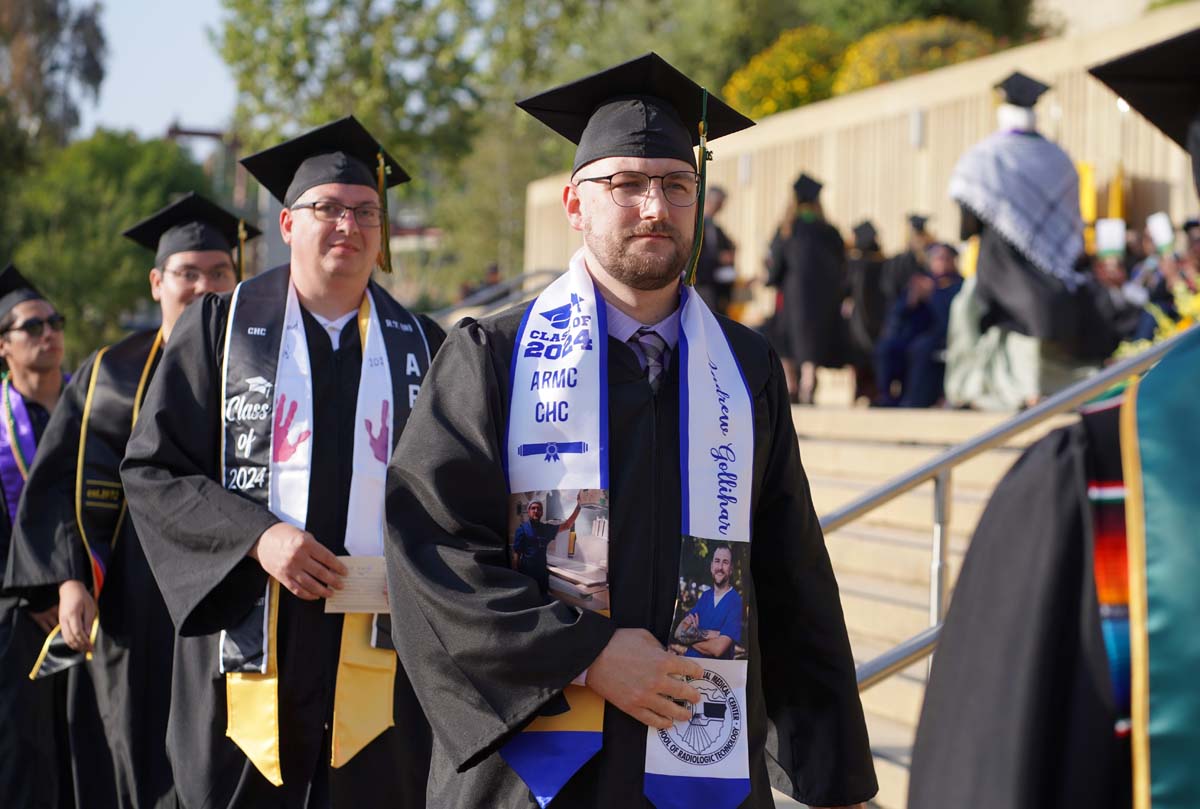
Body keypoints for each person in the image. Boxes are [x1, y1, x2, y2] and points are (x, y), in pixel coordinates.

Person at [384, 52, 875, 809]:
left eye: (677, 186)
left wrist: (834, 774)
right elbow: (434, 549)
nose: (655, 206)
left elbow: (788, 572)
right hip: (535, 774)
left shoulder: (742, 369)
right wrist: (586, 654)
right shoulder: (494, 356)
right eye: (627, 185)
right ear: (575, 206)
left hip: (700, 755)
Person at [909, 31, 1200, 807]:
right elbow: (1058, 240)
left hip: (1009, 280)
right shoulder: (1055, 163)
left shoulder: (1097, 474)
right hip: (1045, 288)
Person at [120, 116, 445, 809]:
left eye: (365, 212)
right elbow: (153, 471)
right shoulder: (219, 330)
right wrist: (257, 536)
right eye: (327, 208)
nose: (347, 226)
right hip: (247, 650)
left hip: (381, 661)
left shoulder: (424, 347)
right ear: (289, 223)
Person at [4, 194, 259, 809]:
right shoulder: (108, 374)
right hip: (128, 602)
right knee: (129, 755)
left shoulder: (264, 364)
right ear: (157, 282)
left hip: (235, 592)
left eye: (218, 273)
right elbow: (61, 480)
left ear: (237, 279)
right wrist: (66, 580)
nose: (203, 287)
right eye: (187, 274)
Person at [944, 71, 1119, 411]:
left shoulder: (985, 158)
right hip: (1054, 270)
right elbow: (1069, 224)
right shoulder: (1059, 158)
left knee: (971, 309)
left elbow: (967, 224)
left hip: (1002, 266)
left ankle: (981, 388)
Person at [0, 264, 73, 808]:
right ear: (4, 345)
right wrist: (33, 592)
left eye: (55, 321)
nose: (48, 332)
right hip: (17, 616)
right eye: (32, 326)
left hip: (95, 607)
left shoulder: (96, 405)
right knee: (25, 751)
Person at [766, 172, 846, 404]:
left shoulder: (788, 229)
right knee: (813, 337)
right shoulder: (829, 230)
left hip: (794, 294)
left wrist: (771, 278)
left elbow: (776, 264)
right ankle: (808, 382)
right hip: (823, 296)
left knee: (786, 336)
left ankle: (790, 384)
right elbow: (842, 264)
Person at [875, 243, 963, 407]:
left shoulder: (958, 285)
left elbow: (950, 318)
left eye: (945, 258)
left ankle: (914, 399)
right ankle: (887, 397)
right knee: (886, 348)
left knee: (920, 348)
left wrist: (932, 295)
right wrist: (911, 301)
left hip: (942, 336)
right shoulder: (921, 281)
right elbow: (898, 315)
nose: (940, 262)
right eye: (937, 258)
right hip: (914, 334)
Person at [670, 545, 743, 660]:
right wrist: (714, 634)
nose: (720, 567)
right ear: (711, 566)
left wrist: (691, 636)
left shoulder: (735, 602)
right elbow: (678, 632)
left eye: (725, 562)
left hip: (713, 673)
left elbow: (718, 649)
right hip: (690, 663)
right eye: (717, 561)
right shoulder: (705, 596)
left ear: (731, 569)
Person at [843, 220, 886, 403]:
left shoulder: (854, 264)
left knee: (860, 355)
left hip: (859, 319)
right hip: (878, 317)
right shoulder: (883, 263)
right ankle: (874, 390)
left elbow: (845, 289)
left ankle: (861, 390)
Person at [511, 496, 581, 596]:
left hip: (542, 573)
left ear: (542, 513)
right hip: (526, 573)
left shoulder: (546, 529)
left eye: (539, 509)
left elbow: (567, 525)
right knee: (527, 599)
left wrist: (578, 507)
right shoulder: (522, 529)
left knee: (542, 598)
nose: (536, 511)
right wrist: (516, 574)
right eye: (533, 508)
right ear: (529, 511)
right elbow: (516, 553)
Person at [692, 185, 737, 316]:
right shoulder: (696, 226)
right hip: (701, 283)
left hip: (717, 284)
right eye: (719, 204)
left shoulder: (716, 228)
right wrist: (718, 258)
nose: (721, 208)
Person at [880, 214, 933, 308]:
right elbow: (889, 288)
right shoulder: (897, 261)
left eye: (921, 236)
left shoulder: (928, 261)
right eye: (917, 237)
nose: (920, 241)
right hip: (902, 309)